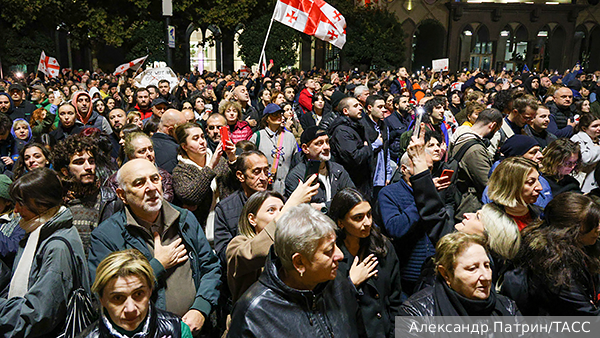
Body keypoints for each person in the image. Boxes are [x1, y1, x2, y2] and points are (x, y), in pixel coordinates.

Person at [89, 159, 221, 335]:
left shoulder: (184, 219)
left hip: (197, 329)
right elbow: (104, 292)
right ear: (122, 195)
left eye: (155, 179)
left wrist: (201, 307)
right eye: (139, 183)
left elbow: (210, 267)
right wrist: (158, 264)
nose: (151, 187)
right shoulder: (106, 236)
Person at [228, 204, 363, 337]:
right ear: (299, 262)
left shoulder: (337, 283)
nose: (340, 255)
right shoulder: (253, 314)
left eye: (335, 245)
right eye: (329, 250)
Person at [0, 168, 90, 336]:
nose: (16, 211)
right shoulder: (38, 231)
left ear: (42, 204)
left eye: (21, 204)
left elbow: (36, 316)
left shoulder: (57, 247)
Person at [379, 125, 454, 295]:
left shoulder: (433, 190)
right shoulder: (389, 193)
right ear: (404, 170)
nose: (427, 174)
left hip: (434, 272)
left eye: (430, 169)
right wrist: (423, 197)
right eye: (422, 169)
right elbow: (395, 228)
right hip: (407, 273)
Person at [501, 192, 600, 315]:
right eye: (593, 225)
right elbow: (589, 316)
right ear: (571, 231)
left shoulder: (585, 246)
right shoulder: (555, 268)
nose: (599, 229)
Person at [226, 178, 318, 303]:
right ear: (252, 219)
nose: (279, 214)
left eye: (281, 209)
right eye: (271, 210)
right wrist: (291, 205)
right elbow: (251, 254)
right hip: (252, 319)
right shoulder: (237, 244)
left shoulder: (291, 247)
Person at [329, 187, 403, 338]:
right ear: (340, 222)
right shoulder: (331, 254)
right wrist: (351, 284)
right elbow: (329, 306)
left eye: (369, 214)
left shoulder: (382, 246)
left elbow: (395, 299)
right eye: (358, 217)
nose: (368, 222)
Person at [398, 232, 519, 316]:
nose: (486, 277)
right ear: (446, 274)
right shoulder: (416, 312)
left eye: (487, 266)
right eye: (472, 269)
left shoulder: (507, 307)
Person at [80, 249, 192, 337]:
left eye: (138, 294)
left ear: (150, 291)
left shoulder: (177, 331)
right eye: (118, 298)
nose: (130, 309)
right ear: (102, 299)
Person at [172, 122, 236, 227]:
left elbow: (236, 185)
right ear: (184, 146)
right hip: (201, 226)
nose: (202, 142)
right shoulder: (181, 171)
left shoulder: (220, 162)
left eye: (202, 137)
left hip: (226, 221)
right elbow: (191, 197)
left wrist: (232, 159)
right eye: (195, 138)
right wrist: (210, 166)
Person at [104, 132, 175, 203]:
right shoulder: (115, 181)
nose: (149, 154)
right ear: (130, 156)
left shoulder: (164, 176)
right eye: (142, 151)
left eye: (151, 149)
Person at [329, 96, 374, 199]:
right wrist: (367, 148)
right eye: (355, 106)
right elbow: (354, 158)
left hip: (362, 180)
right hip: (352, 183)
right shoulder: (342, 131)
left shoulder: (356, 126)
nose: (360, 107)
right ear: (346, 111)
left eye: (359, 105)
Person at [250, 103, 298, 194]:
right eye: (274, 115)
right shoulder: (258, 136)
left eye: (280, 114)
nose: (279, 117)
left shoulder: (290, 137)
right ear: (267, 119)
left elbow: (295, 161)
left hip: (287, 188)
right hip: (266, 188)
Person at [487, 157, 543, 231]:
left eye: (538, 180)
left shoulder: (541, 214)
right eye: (530, 182)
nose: (540, 187)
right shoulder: (487, 219)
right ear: (510, 186)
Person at [570, 113, 600, 192]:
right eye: (595, 126)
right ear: (584, 128)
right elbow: (585, 158)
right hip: (581, 178)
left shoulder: (597, 140)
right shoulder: (576, 139)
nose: (599, 128)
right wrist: (597, 148)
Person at [152, 109, 186, 174]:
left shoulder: (145, 146)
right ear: (171, 130)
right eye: (182, 129)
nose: (184, 132)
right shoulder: (178, 151)